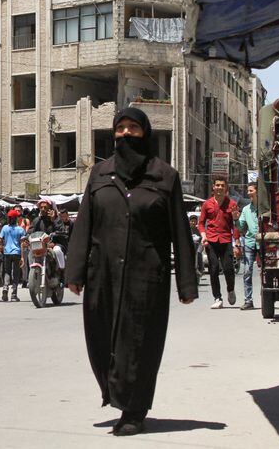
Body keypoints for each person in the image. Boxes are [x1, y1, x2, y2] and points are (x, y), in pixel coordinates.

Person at [66, 107, 197, 437]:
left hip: (145, 277)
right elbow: (84, 224)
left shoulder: (165, 176)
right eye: (120, 128)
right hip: (102, 274)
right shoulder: (100, 174)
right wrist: (75, 271)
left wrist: (186, 283)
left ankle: (134, 410)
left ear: (145, 133)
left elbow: (180, 231)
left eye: (133, 128)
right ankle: (114, 391)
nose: (126, 133)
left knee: (139, 344)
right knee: (100, 338)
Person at [198, 177, 240, 309]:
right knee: (214, 269)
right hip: (211, 240)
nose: (220, 188)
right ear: (213, 187)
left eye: (222, 185)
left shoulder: (232, 204)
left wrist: (237, 242)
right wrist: (203, 236)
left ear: (226, 188)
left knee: (228, 269)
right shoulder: (207, 204)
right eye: (217, 185)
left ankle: (230, 290)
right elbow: (201, 223)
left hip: (226, 240)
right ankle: (217, 297)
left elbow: (235, 225)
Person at [28, 199, 67, 272]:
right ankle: (32, 271)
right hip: (40, 244)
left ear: (51, 209)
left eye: (45, 207)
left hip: (55, 243)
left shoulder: (57, 219)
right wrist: (26, 237)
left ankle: (61, 271)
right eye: (41, 207)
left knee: (57, 250)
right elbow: (30, 231)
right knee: (31, 252)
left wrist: (54, 220)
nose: (43, 209)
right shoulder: (37, 220)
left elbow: (62, 231)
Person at [237, 183, 259, 310]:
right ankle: (248, 300)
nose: (249, 193)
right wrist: (236, 219)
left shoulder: (265, 207)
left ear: (257, 191)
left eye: (251, 190)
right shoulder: (245, 210)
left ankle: (267, 297)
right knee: (247, 271)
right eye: (248, 191)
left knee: (267, 272)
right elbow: (240, 227)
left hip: (264, 242)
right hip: (250, 242)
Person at [0, 209, 26, 301]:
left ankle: (5, 287)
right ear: (16, 218)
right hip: (17, 253)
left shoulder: (5, 228)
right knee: (16, 273)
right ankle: (14, 294)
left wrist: (1, 246)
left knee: (7, 272)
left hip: (7, 253)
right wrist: (22, 257)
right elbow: (22, 244)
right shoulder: (20, 229)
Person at [190, 214, 204, 279]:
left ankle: (201, 268)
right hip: (191, 246)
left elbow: (202, 238)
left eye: (194, 221)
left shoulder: (199, 230)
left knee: (198, 253)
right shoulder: (187, 230)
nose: (193, 222)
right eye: (192, 221)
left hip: (199, 245)